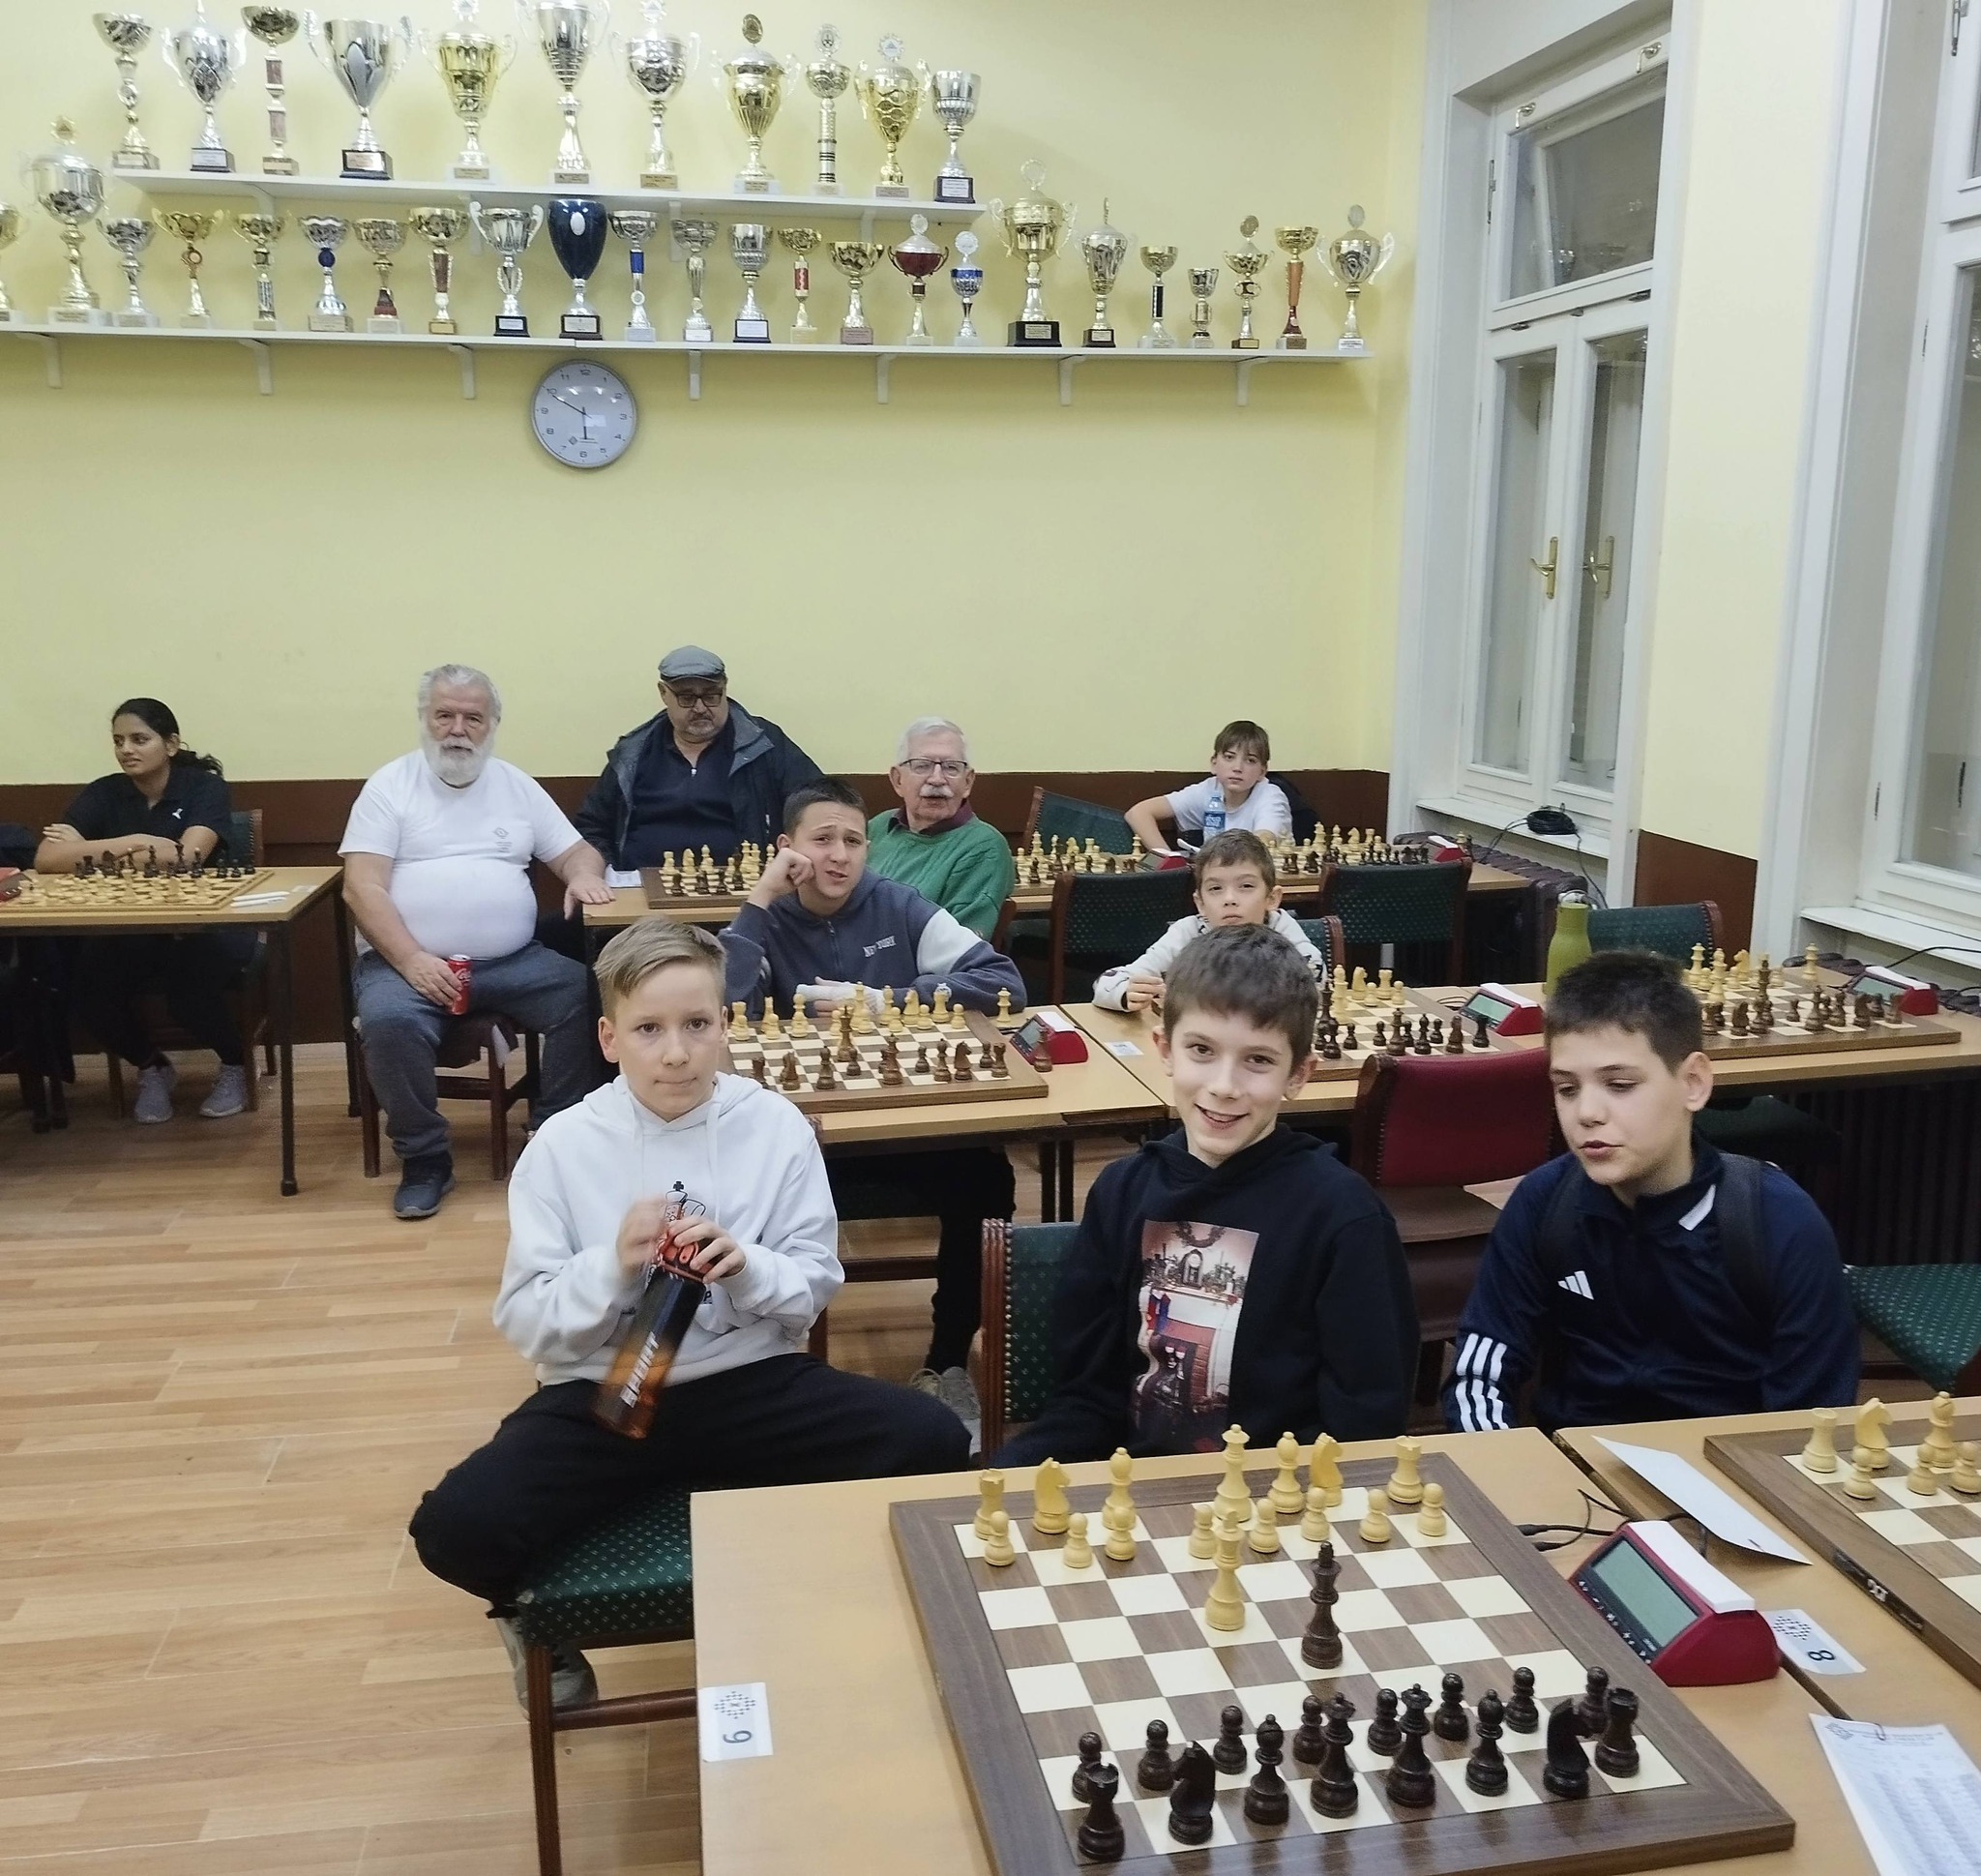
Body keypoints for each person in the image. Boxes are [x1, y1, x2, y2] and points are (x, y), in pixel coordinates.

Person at [409, 918, 965, 1710]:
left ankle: (852, 1595)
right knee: (455, 1525)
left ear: (724, 1025)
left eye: (697, 1024)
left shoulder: (775, 1126)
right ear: (609, 1038)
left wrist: (747, 1266)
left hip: (750, 1382)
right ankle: (537, 1624)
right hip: (602, 1394)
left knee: (935, 1437)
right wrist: (612, 1264)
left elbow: (814, 1283)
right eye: (649, 1029)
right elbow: (529, 1321)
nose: (676, 1052)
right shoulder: (561, 1145)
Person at [990, 924, 1418, 1466]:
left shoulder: (1344, 1217)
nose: (1224, 1085)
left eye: (1258, 1060)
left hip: (1280, 1492)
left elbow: (1365, 1421)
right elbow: (1089, 1396)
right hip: (1136, 1482)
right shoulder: (1121, 1192)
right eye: (1201, 1050)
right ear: (1165, 1049)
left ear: (1299, 1074)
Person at [1443, 950, 1859, 1434]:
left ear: (1693, 1083)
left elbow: (1810, 1425)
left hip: (1728, 1468)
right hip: (1576, 1463)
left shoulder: (1779, 1222)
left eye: (1619, 1085)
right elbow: (1480, 1377)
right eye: (1567, 1089)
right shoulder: (1545, 1201)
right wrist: (1508, 1466)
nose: (1587, 1114)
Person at [722, 777, 1026, 1435]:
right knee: (748, 1190)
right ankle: (773, 1368)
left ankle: (948, 1362)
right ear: (788, 847)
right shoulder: (768, 917)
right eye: (822, 840)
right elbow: (722, 1009)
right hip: (807, 1139)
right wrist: (760, 897)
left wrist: (885, 1001)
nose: (840, 856)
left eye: (854, 841)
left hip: (910, 1125)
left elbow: (1003, 980)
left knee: (985, 1175)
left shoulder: (898, 904)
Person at [340, 665, 614, 1221]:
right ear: (425, 719)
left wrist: (584, 874)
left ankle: (554, 1137)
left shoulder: (516, 785)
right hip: (403, 963)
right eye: (445, 715)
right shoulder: (389, 786)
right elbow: (361, 887)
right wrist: (412, 959)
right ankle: (425, 1160)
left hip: (511, 961)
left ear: (492, 725)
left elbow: (575, 851)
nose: (458, 730)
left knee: (588, 994)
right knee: (388, 1022)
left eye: (473, 718)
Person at [35, 698, 254, 1123]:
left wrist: (88, 851)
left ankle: (234, 1065)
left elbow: (187, 857)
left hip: (204, 925)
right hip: (131, 928)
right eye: (118, 741)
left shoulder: (203, 787)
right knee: (87, 990)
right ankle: (152, 1067)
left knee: (188, 994)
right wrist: (136, 842)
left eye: (139, 739)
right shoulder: (104, 792)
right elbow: (47, 859)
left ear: (170, 744)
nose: (126, 750)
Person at [574, 646, 822, 872]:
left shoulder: (764, 744)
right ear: (663, 693)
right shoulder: (633, 752)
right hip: (640, 888)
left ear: (725, 687)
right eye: (687, 698)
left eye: (712, 695)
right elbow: (592, 826)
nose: (700, 708)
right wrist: (597, 875)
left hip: (742, 888)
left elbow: (818, 806)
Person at [1093, 830, 1327, 1013]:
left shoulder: (1282, 928)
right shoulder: (1188, 931)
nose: (1230, 899)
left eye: (1246, 886)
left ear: (1272, 898)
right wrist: (1124, 993)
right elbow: (1106, 982)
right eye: (1215, 888)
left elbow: (1313, 981)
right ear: (1200, 903)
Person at [866, 717, 1016, 938]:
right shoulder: (878, 827)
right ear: (898, 780)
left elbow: (958, 945)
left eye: (951, 768)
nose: (937, 779)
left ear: (968, 782)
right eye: (922, 766)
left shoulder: (984, 848)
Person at [1125, 720, 1293, 855]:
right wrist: (1168, 861)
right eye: (1229, 757)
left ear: (1262, 771)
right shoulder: (1209, 789)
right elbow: (1137, 813)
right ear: (1214, 763)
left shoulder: (1271, 795)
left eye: (1250, 760)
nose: (1237, 768)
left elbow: (1264, 839)